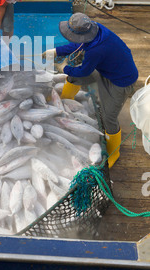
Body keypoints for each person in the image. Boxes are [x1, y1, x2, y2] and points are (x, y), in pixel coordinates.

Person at [42, 12, 139, 168]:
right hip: (105, 69)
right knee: (73, 78)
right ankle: (66, 102)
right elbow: (78, 44)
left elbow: (84, 72)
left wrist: (63, 67)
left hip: (120, 81)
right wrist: (57, 51)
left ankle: (114, 152)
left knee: (109, 119)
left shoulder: (97, 50)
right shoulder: (96, 29)